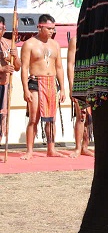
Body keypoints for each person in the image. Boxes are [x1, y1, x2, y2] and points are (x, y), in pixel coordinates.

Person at [20, 14, 66, 159]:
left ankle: (51, 149)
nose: (52, 31)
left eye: (53, 28)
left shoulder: (55, 44)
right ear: (40, 27)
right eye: (49, 28)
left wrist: (63, 88)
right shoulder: (29, 44)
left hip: (51, 82)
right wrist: (25, 89)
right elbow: (24, 68)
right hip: (35, 83)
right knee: (34, 118)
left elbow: (59, 67)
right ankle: (29, 151)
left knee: (51, 119)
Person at [65, 34, 93, 158]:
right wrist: (72, 86)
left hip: (93, 80)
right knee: (81, 116)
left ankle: (85, 147)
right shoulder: (75, 41)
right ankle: (77, 147)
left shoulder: (95, 38)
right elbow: (70, 64)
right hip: (80, 81)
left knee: (90, 117)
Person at [0, 16, 21, 145]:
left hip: (4, 85)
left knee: (2, 116)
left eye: (0, 28)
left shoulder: (9, 43)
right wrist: (3, 68)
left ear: (4, 29)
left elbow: (17, 67)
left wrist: (15, 56)